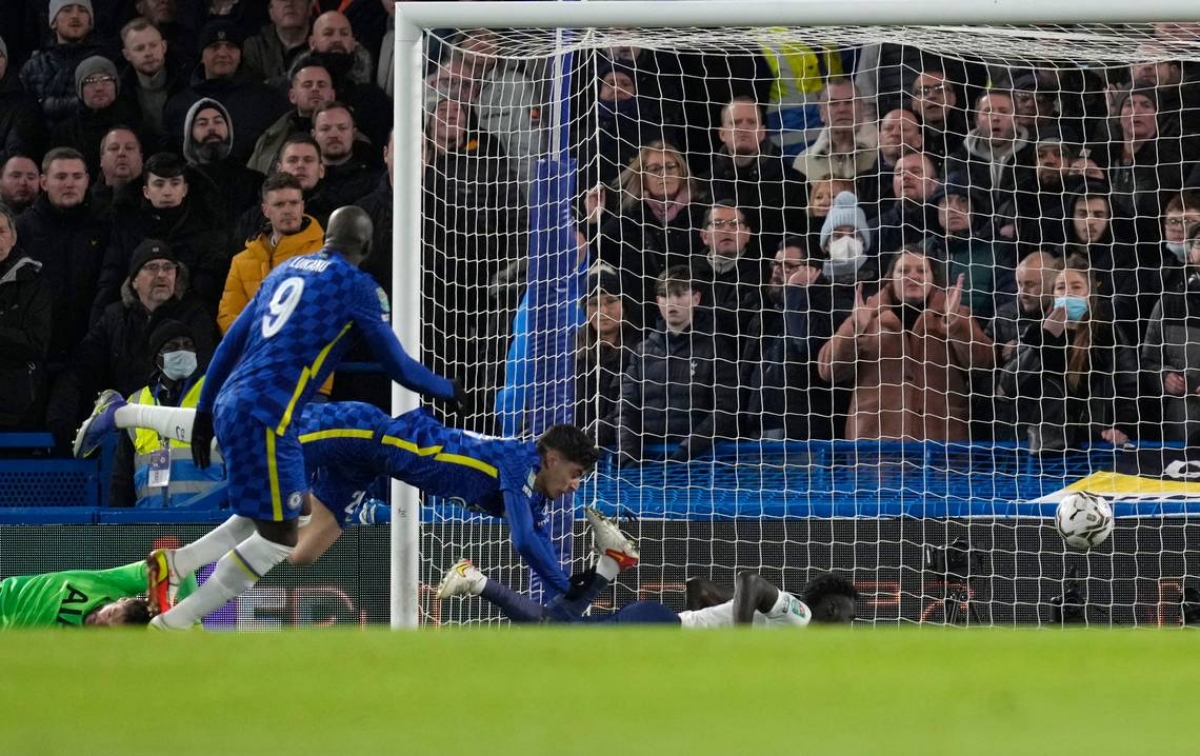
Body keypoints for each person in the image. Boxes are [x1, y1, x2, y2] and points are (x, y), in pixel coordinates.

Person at [140, 206, 455, 629]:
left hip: (245, 403)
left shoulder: (285, 270)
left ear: (327, 237)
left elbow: (230, 342)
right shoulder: (358, 286)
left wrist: (204, 411)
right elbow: (397, 365)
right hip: (268, 412)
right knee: (282, 535)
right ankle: (174, 624)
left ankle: (179, 563)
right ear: (366, 245)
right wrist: (451, 390)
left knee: (295, 511)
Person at [77, 399, 594, 591]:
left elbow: (536, 537)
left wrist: (566, 586)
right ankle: (123, 413)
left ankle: (186, 568)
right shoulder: (518, 463)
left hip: (368, 467)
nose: (573, 486)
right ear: (550, 459)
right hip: (367, 435)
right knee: (237, 443)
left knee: (300, 552)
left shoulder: (533, 489)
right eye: (573, 474)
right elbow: (527, 543)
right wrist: (566, 589)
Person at [818, 246, 995, 441]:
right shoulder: (867, 315)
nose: (913, 276)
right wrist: (855, 328)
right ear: (891, 278)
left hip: (942, 446)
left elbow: (985, 365)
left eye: (921, 270)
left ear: (933, 278)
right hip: (876, 451)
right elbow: (828, 370)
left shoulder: (954, 314)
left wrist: (955, 325)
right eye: (903, 270)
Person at [998, 255, 1140, 453]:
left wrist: (1121, 427)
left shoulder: (1109, 334)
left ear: (1089, 293)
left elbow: (1129, 387)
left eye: (1076, 287)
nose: (1069, 294)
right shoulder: (1035, 333)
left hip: (1097, 442)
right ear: (1053, 294)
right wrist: (1044, 341)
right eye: (1061, 287)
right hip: (1046, 446)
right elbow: (1007, 387)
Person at [109, 319, 222, 508]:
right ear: (157, 357)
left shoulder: (215, 394)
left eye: (189, 345)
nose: (183, 351)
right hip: (151, 524)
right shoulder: (135, 403)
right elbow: (122, 478)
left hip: (207, 522)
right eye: (172, 346)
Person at [218, 172, 324, 333]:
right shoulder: (241, 262)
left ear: (302, 206)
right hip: (255, 354)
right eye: (279, 204)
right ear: (265, 210)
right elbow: (228, 317)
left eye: (293, 203)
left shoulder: (325, 255)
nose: (288, 210)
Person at [0, 560, 196, 629]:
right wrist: (195, 622)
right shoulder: (109, 584)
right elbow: (176, 567)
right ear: (123, 600)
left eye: (106, 629)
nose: (99, 621)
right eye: (109, 614)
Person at [0, 202, 53, 430]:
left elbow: (34, 343)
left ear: (13, 236)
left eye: (0, 232)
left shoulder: (34, 282)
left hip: (16, 408)